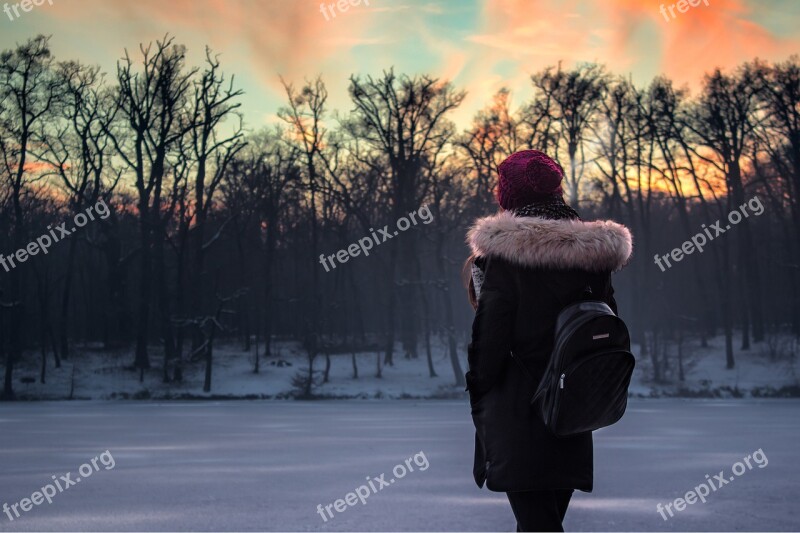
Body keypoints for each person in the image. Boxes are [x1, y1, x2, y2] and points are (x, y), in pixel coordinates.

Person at [464, 150, 632, 532]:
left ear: (511, 197)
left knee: (538, 525)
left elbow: (488, 342)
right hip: (574, 409)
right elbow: (607, 326)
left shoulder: (506, 258)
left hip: (520, 412)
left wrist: (479, 395)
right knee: (543, 522)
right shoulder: (593, 255)